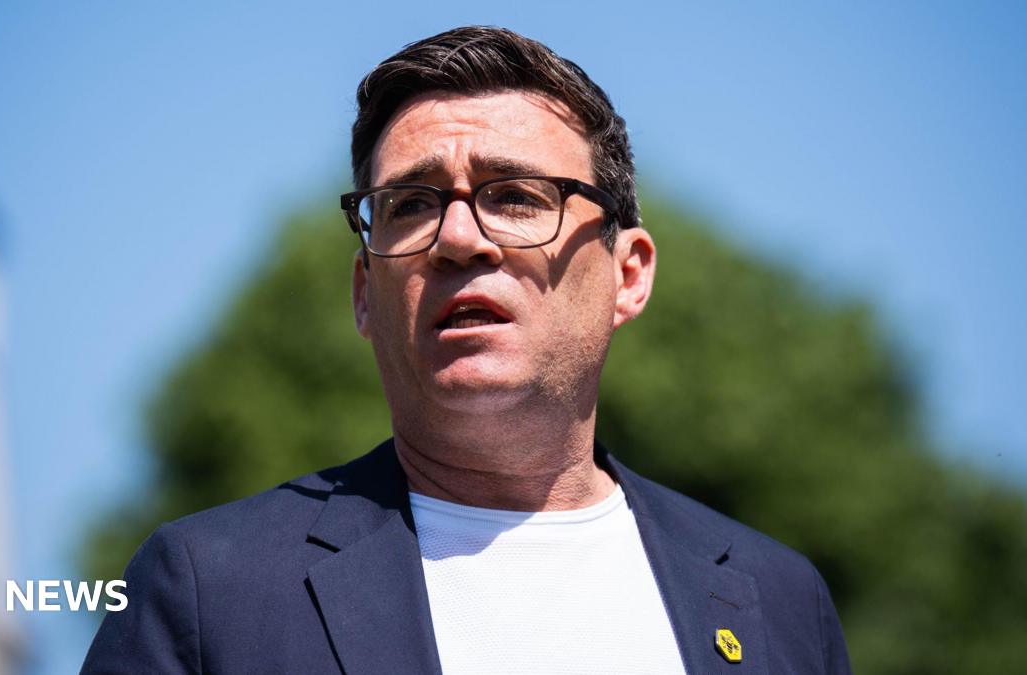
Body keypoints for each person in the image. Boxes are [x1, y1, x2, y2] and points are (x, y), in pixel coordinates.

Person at [82, 26, 851, 674]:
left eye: (517, 196)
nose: (456, 238)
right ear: (362, 291)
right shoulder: (208, 589)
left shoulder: (777, 600)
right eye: (410, 205)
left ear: (628, 273)